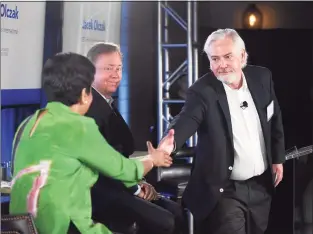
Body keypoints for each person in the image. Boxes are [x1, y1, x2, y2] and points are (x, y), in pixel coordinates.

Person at [9, 52, 173, 234]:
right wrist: (153, 158)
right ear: (85, 94)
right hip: (61, 225)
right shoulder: (77, 126)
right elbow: (124, 169)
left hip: (24, 226)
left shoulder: (28, 123)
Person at [160, 28, 286, 234]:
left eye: (228, 57)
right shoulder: (202, 91)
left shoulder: (262, 77)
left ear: (243, 55)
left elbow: (275, 118)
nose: (222, 65)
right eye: (215, 59)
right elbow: (187, 119)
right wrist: (171, 142)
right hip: (225, 190)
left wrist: (277, 158)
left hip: (261, 186)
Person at [85, 42, 186, 234]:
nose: (115, 75)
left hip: (121, 184)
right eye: (108, 69)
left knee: (175, 211)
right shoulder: (90, 108)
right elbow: (107, 163)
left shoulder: (107, 103)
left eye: (119, 68)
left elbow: (121, 156)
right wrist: (136, 190)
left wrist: (140, 182)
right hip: (101, 192)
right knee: (165, 220)